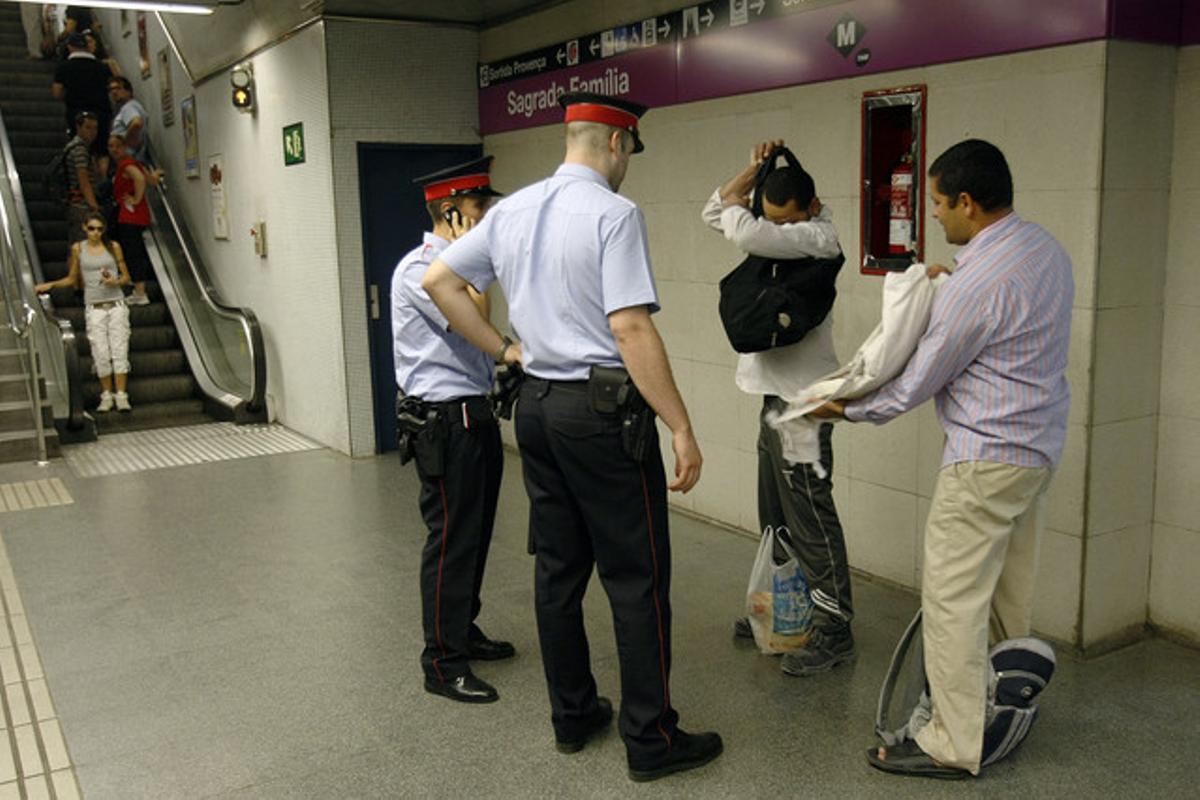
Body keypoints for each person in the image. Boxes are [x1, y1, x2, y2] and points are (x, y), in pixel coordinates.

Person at [422, 92, 723, 783]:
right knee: (636, 576)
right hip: (603, 416)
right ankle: (651, 740)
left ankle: (574, 714)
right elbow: (630, 328)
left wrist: (504, 350)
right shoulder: (614, 215)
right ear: (617, 145)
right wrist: (680, 425)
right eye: (630, 154)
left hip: (537, 409)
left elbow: (438, 281)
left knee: (558, 570)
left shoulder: (513, 211)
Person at [808, 139, 1073, 779]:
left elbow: (917, 378)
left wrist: (846, 408)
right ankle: (998, 699)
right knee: (1007, 589)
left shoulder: (976, 284)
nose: (935, 216)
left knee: (953, 600)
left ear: (967, 202)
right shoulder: (1043, 249)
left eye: (938, 204)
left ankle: (952, 742)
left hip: (981, 461)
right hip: (1033, 454)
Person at [701, 139, 856, 677]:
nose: (779, 232)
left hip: (803, 404)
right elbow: (716, 211)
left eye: (785, 222)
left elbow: (735, 225)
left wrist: (755, 197)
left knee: (809, 514)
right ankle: (783, 606)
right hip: (775, 399)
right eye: (775, 221)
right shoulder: (786, 229)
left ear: (810, 209)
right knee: (776, 513)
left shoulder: (817, 236)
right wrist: (753, 170)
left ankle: (835, 630)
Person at [391, 156, 515, 705]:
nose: (487, 214)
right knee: (450, 542)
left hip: (475, 415)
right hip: (445, 422)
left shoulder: (449, 265)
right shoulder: (421, 270)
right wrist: (475, 259)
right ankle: (441, 661)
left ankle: (463, 629)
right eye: (478, 207)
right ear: (451, 213)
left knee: (478, 532)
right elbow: (477, 313)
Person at [36, 212, 134, 413]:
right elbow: (72, 278)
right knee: (100, 351)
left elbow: (126, 277)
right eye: (92, 228)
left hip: (116, 304)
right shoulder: (78, 249)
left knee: (119, 348)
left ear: (104, 230)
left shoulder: (113, 247)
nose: (95, 233)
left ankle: (121, 395)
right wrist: (51, 285)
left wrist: (114, 281)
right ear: (84, 228)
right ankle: (106, 395)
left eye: (99, 229)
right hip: (94, 306)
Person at [107, 134, 153, 305]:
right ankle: (136, 286)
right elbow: (151, 180)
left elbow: (140, 179)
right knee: (131, 250)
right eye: (110, 146)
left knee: (132, 252)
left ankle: (140, 292)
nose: (113, 150)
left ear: (124, 146)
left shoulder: (127, 165)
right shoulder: (135, 163)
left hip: (129, 215)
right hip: (135, 215)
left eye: (117, 146)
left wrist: (136, 198)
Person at [51, 32, 111, 154]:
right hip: (101, 111)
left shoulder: (63, 67)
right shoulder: (102, 66)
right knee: (101, 149)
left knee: (80, 148)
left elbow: (57, 93)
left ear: (70, 47)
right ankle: (102, 173)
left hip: (76, 112)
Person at [62, 111, 101, 246]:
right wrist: (93, 205)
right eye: (88, 127)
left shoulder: (75, 147)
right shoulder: (79, 150)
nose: (92, 132)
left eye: (95, 128)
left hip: (75, 202)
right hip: (81, 204)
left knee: (76, 244)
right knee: (82, 244)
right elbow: (83, 179)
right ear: (78, 128)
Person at [108, 77, 147, 162]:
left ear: (128, 91)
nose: (114, 92)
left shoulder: (128, 107)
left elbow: (136, 123)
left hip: (128, 158)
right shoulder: (134, 106)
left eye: (118, 88)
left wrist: (123, 143)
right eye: (111, 89)